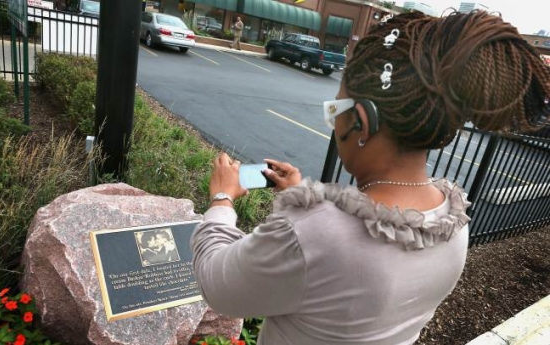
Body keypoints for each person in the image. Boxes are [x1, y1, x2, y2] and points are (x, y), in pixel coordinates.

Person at [191, 10, 550, 345]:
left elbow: (217, 286)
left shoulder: (309, 234)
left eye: (336, 109)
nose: (333, 120)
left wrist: (222, 200)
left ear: (361, 122)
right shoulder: (453, 223)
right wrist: (301, 193)